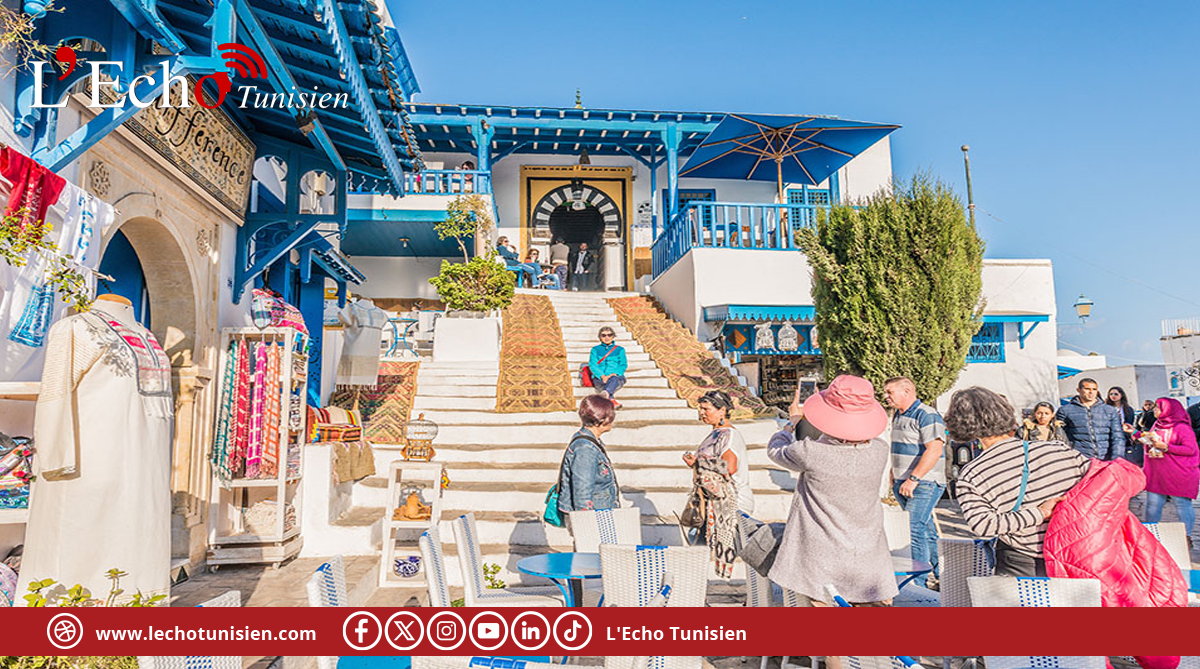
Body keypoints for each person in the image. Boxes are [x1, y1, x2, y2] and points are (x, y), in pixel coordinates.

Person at [766, 375, 898, 612]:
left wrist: (792, 421)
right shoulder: (879, 450)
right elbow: (842, 443)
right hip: (869, 563)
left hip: (824, 563)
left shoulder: (809, 452)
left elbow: (776, 449)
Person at [946, 387, 1090, 577]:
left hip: (1022, 561)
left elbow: (983, 526)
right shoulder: (1059, 449)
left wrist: (1039, 513)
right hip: (1079, 554)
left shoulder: (972, 474)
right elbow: (1100, 484)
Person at [883, 376, 946, 586]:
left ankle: (919, 584)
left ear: (907, 391)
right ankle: (944, 576)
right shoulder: (899, 415)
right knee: (926, 530)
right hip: (904, 482)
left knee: (914, 529)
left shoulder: (926, 414)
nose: (886, 396)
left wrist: (913, 478)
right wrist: (894, 472)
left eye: (890, 392)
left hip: (923, 482)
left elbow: (934, 449)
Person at [683, 390, 754, 515]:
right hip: (714, 501)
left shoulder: (729, 435)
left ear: (722, 411)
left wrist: (698, 463)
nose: (701, 412)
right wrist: (695, 464)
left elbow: (729, 467)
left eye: (706, 409)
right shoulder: (717, 433)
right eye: (701, 408)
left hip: (732, 502)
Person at [1141, 397, 1199, 542]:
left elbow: (1190, 449)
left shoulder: (1181, 427)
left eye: (1158, 407)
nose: (1154, 410)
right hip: (1158, 474)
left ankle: (1186, 537)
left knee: (1182, 504)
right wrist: (1135, 433)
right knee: (1152, 505)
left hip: (1178, 474)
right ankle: (1150, 535)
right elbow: (1151, 441)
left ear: (1168, 410)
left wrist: (1166, 447)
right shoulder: (1157, 425)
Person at [557, 394, 620, 513]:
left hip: (600, 512)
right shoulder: (585, 448)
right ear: (600, 419)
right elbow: (582, 490)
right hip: (593, 516)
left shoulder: (591, 442)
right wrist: (585, 519)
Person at [1056, 377, 1125, 460]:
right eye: (1087, 389)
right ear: (1079, 390)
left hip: (1104, 458)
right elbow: (1060, 437)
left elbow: (1118, 437)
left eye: (1094, 389)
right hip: (1079, 458)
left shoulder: (1109, 410)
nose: (1091, 392)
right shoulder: (1065, 410)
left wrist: (1117, 458)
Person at [588, 326, 627, 409]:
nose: (607, 337)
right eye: (603, 335)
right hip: (600, 378)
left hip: (616, 377)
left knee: (613, 379)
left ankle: (605, 394)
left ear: (613, 336)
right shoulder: (595, 350)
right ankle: (610, 398)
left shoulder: (620, 350)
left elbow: (623, 364)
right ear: (600, 337)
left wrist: (614, 373)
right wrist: (602, 376)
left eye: (609, 335)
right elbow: (593, 365)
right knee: (607, 383)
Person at [1107, 386, 1141, 466]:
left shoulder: (1128, 409)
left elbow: (1129, 423)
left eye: (1116, 394)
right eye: (1111, 394)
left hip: (1125, 437)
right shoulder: (1107, 408)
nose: (1113, 396)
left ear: (1121, 395)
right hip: (1110, 436)